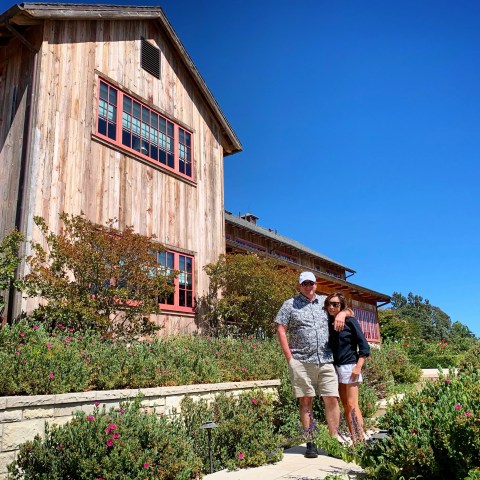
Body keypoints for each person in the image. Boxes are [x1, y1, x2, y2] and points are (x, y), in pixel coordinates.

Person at [275, 271, 352, 458]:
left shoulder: (326, 302)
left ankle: (334, 443)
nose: (308, 287)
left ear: (316, 284)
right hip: (301, 360)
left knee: (332, 399)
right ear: (300, 286)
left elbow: (350, 310)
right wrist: (289, 358)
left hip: (326, 359)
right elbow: (280, 328)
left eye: (311, 283)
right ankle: (310, 442)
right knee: (306, 400)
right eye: (304, 284)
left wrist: (342, 313)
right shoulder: (290, 304)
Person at [324, 292, 370, 443]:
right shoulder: (327, 322)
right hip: (335, 367)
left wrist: (358, 367)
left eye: (335, 304)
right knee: (345, 405)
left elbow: (363, 345)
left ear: (341, 306)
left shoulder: (349, 321)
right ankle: (354, 438)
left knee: (352, 404)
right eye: (329, 304)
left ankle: (360, 440)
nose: (331, 307)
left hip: (350, 366)